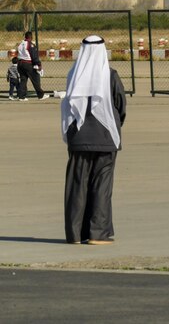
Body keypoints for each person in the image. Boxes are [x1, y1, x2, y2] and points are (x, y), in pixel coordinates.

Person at [61, 35, 126, 245]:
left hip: (78, 139)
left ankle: (76, 233)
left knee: (77, 185)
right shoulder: (110, 75)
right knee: (102, 185)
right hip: (106, 139)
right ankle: (98, 233)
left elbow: (67, 107)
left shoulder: (73, 74)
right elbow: (120, 106)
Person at [16, 31, 45, 100]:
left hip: (20, 64)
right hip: (27, 64)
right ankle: (41, 95)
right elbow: (34, 56)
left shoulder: (20, 44)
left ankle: (21, 96)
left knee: (23, 80)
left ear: (25, 37)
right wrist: (38, 64)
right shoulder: (30, 44)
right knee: (35, 78)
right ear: (31, 37)